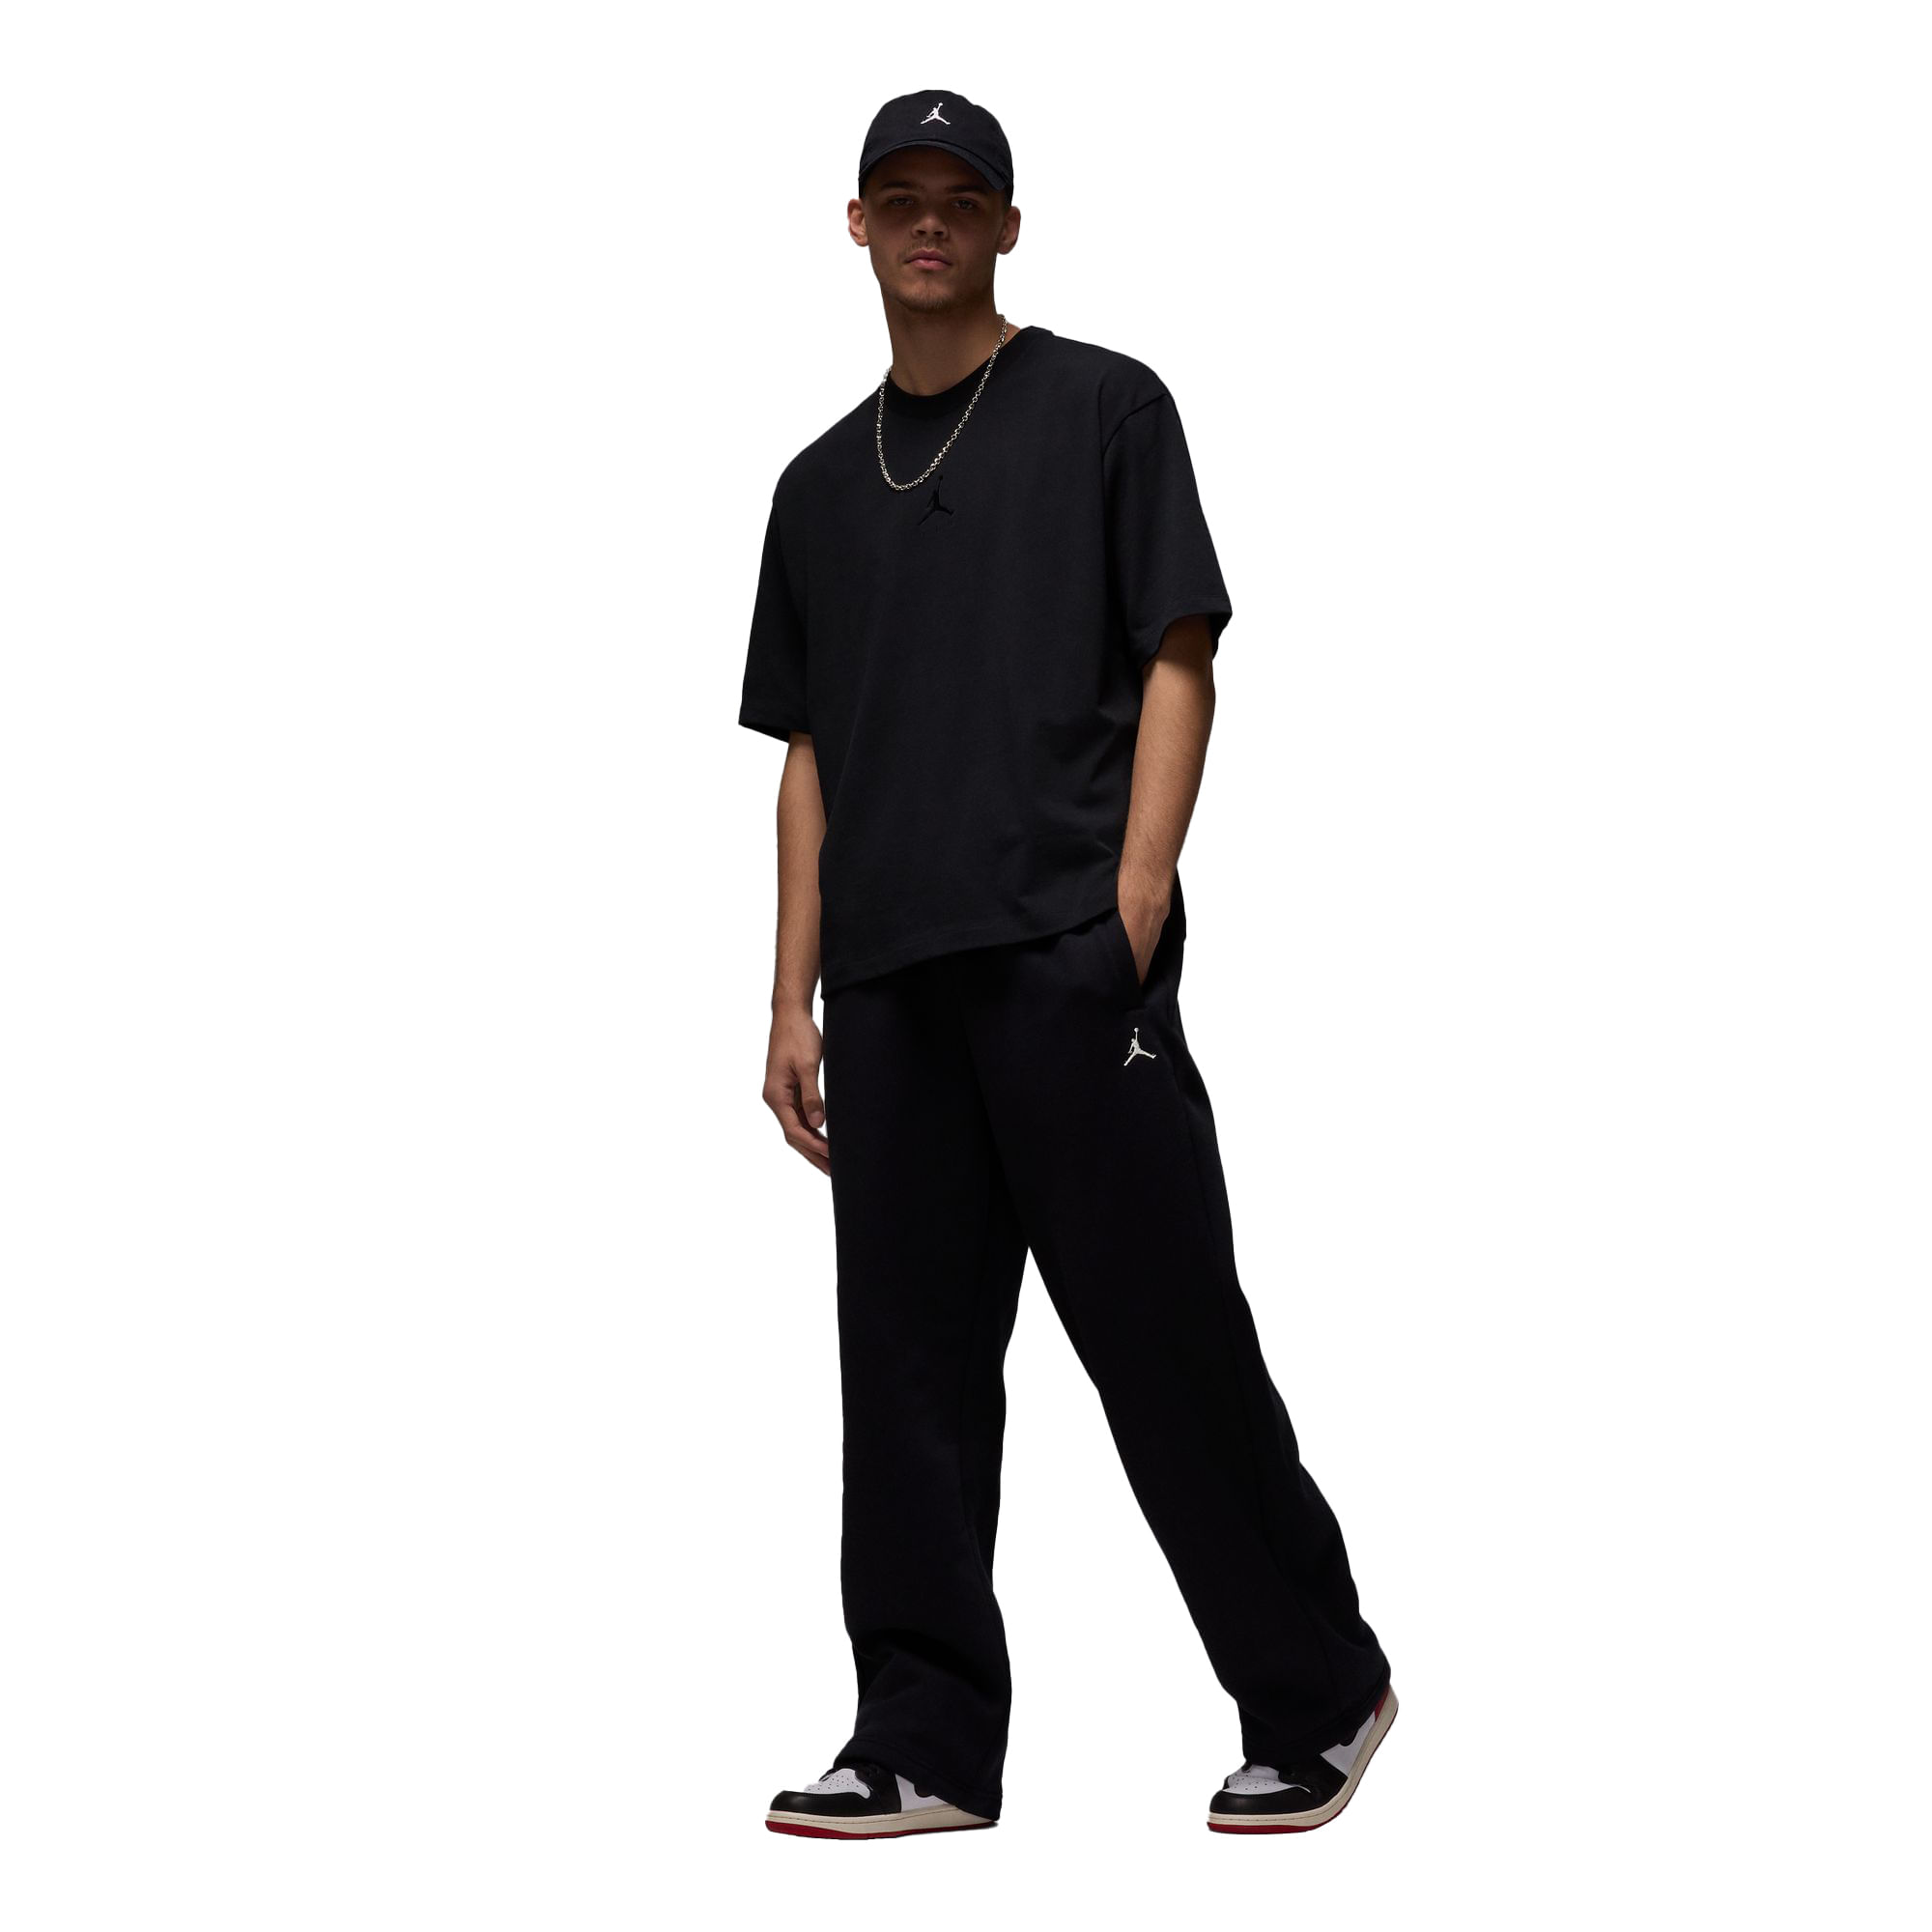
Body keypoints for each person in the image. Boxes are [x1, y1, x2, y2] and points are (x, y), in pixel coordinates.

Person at [739, 89, 1396, 1841]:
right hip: (890, 982)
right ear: (855, 223)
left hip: (1062, 956)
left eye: (960, 199)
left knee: (1167, 1339)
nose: (929, 222)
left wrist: (1136, 898)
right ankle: (925, 1742)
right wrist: (791, 993)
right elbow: (808, 751)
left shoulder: (1107, 406)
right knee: (906, 1381)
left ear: (1007, 226)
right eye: (899, 197)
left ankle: (1319, 1692)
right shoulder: (815, 487)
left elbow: (1179, 648)